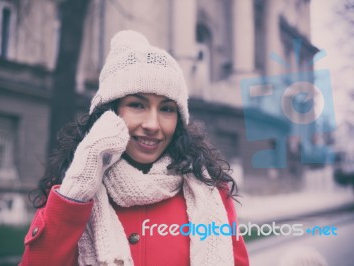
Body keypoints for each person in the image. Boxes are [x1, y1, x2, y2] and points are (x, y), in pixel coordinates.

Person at [20, 30, 249, 266]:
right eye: (137, 105)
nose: (152, 124)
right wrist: (78, 188)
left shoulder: (209, 191)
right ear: (110, 113)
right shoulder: (69, 190)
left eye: (167, 109)